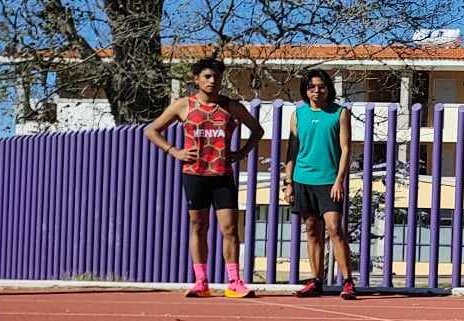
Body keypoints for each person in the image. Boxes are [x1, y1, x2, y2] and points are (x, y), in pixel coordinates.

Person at [145, 56, 264, 299]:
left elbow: (257, 130)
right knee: (198, 226)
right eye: (207, 77)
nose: (212, 81)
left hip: (222, 174)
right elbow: (151, 130)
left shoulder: (230, 106)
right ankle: (201, 281)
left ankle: (234, 281)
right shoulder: (183, 105)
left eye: (217, 77)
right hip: (194, 174)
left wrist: (241, 152)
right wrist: (174, 151)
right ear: (196, 79)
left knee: (230, 228)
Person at [280, 68, 356, 299]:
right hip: (303, 180)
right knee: (312, 230)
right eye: (311, 86)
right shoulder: (298, 115)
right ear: (305, 89)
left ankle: (348, 282)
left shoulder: (339, 113)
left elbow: (346, 150)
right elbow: (292, 149)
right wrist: (288, 182)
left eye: (321, 86)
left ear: (328, 88)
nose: (316, 91)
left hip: (329, 182)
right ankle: (316, 280)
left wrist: (339, 181)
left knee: (334, 229)